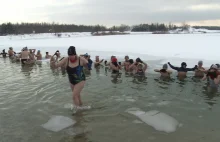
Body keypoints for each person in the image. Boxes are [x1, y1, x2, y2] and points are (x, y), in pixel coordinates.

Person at [51, 46, 89, 113]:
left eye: (72, 55)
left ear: (75, 54)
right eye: (69, 55)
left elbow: (88, 65)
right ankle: (81, 107)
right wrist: (53, 61)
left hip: (80, 80)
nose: (71, 56)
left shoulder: (80, 59)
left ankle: (77, 112)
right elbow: (55, 66)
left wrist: (87, 64)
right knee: (77, 95)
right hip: (72, 81)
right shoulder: (66, 59)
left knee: (74, 96)